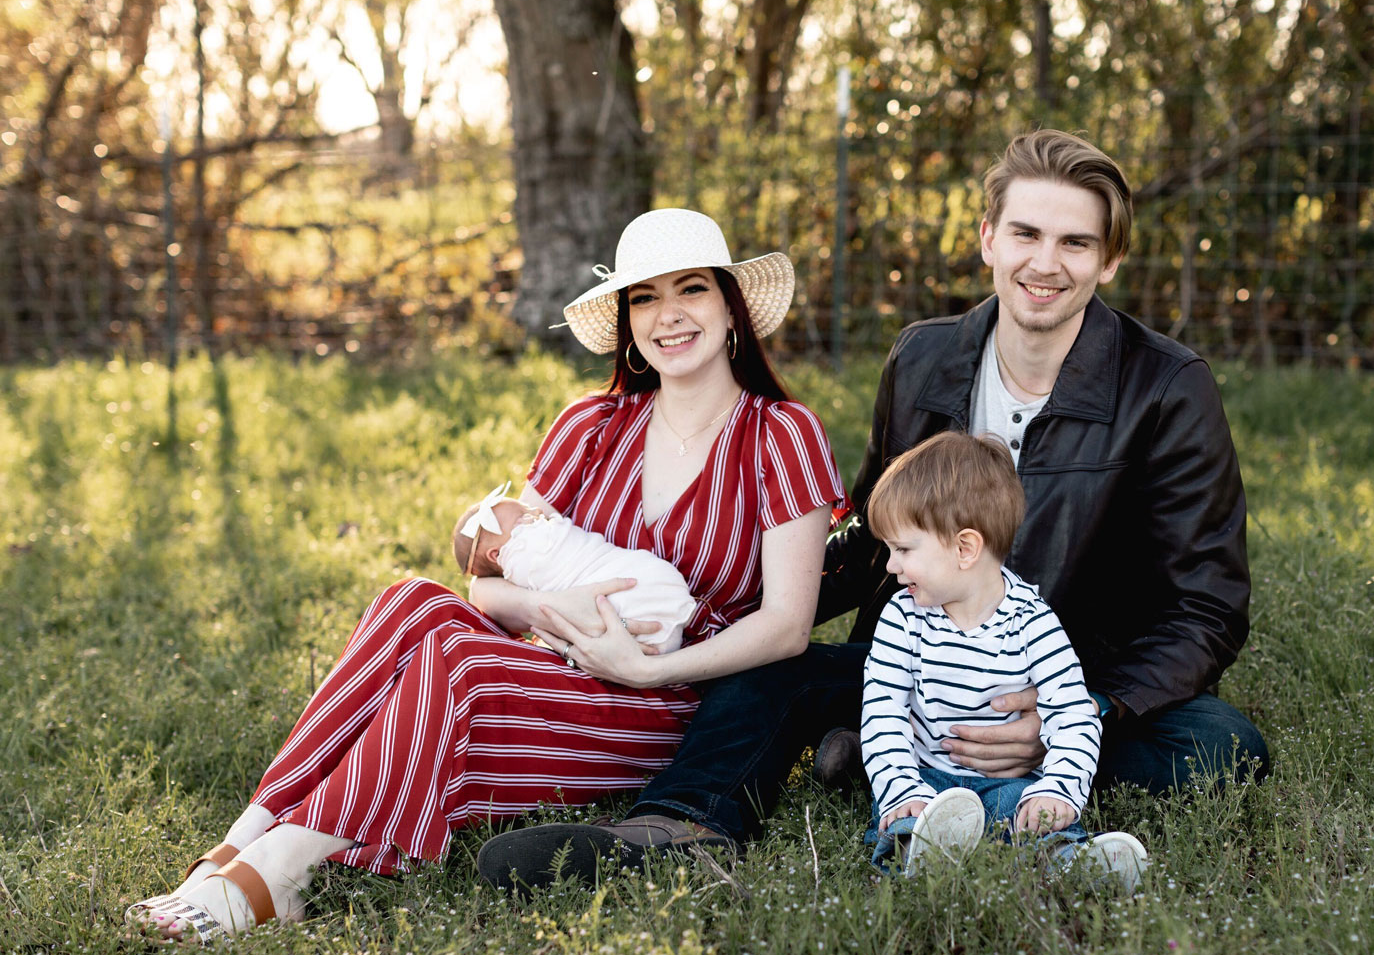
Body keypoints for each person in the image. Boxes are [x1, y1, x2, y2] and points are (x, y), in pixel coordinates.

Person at [476, 129, 1269, 893]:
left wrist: (1083, 711)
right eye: (1026, 233)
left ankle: (917, 762)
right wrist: (757, 606)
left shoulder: (1167, 387)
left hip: (1068, 674)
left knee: (1227, 745)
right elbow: (868, 538)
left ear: (1110, 259)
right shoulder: (924, 359)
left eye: (1076, 244)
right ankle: (676, 830)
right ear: (989, 238)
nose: (1045, 264)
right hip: (915, 662)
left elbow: (1206, 606)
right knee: (766, 674)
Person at [125, 208, 846, 941]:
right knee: (412, 602)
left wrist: (652, 669)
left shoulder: (782, 435)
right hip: (562, 670)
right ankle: (244, 835)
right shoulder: (590, 426)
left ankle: (287, 865)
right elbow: (488, 585)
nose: (668, 315)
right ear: (628, 322)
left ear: (730, 307)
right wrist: (545, 601)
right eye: (644, 298)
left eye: (690, 289)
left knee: (459, 662)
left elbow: (787, 627)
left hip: (677, 702)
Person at [857, 431, 1146, 890]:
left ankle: (1073, 866)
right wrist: (901, 788)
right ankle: (920, 852)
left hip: (1010, 782)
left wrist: (1058, 788)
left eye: (904, 550)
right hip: (925, 778)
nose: (891, 566)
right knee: (905, 819)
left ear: (965, 548)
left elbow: (1071, 714)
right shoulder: (901, 618)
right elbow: (883, 715)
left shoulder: (1034, 624)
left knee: (1033, 815)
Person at [452, 483, 697, 654]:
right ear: (498, 556)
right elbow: (483, 591)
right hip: (636, 605)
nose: (536, 512)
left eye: (529, 510)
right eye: (523, 519)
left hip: (637, 576)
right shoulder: (522, 561)